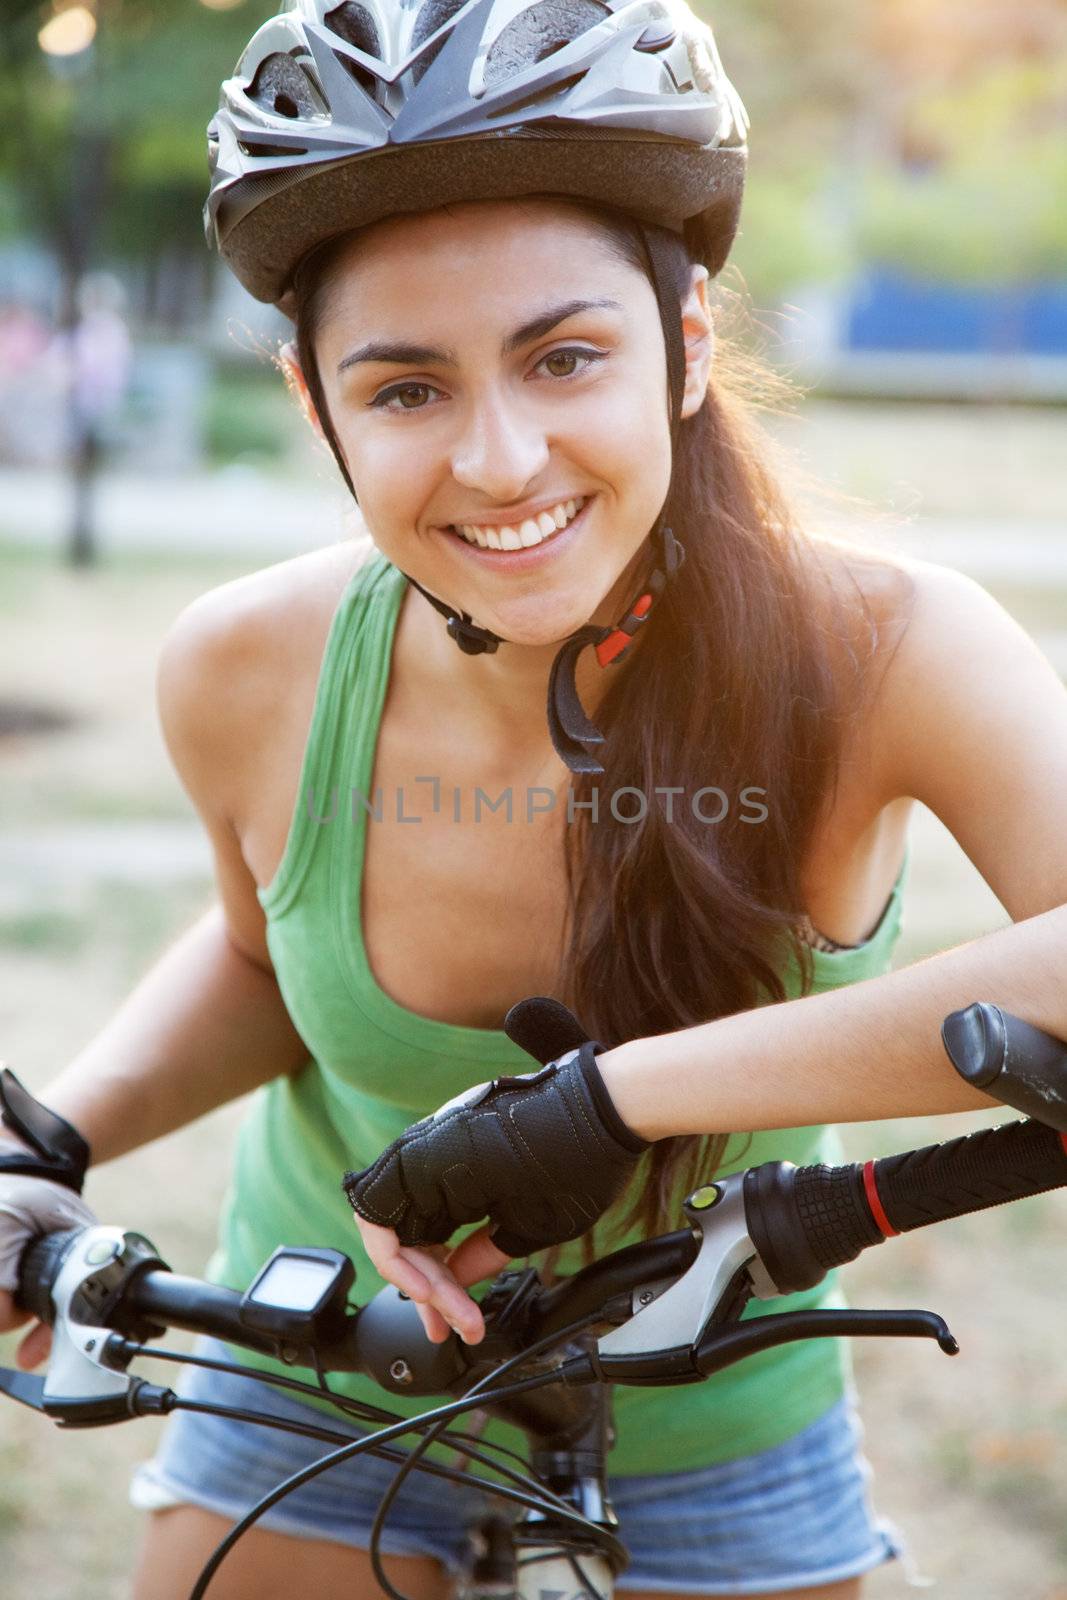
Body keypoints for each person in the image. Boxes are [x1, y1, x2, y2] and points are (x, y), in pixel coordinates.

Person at [2, 1, 1066, 1596]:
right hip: (314, 1386)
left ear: (687, 347)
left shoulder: (890, 649)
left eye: (564, 358)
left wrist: (610, 1102)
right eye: (407, 389)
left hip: (721, 1431)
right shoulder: (241, 663)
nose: (501, 461)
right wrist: (55, 1140)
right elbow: (255, 960)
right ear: (318, 407)